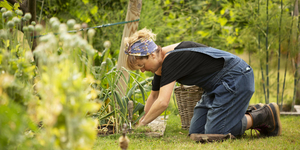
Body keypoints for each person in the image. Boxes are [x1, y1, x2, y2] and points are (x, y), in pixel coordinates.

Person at [124, 28, 281, 137]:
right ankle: (244, 111)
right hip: (216, 87)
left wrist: (143, 123)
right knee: (196, 132)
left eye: (141, 65)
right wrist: (140, 121)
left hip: (235, 78)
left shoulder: (170, 60)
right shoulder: (160, 61)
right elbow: (154, 96)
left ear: (151, 55)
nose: (142, 71)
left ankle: (265, 115)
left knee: (215, 132)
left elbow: (163, 102)